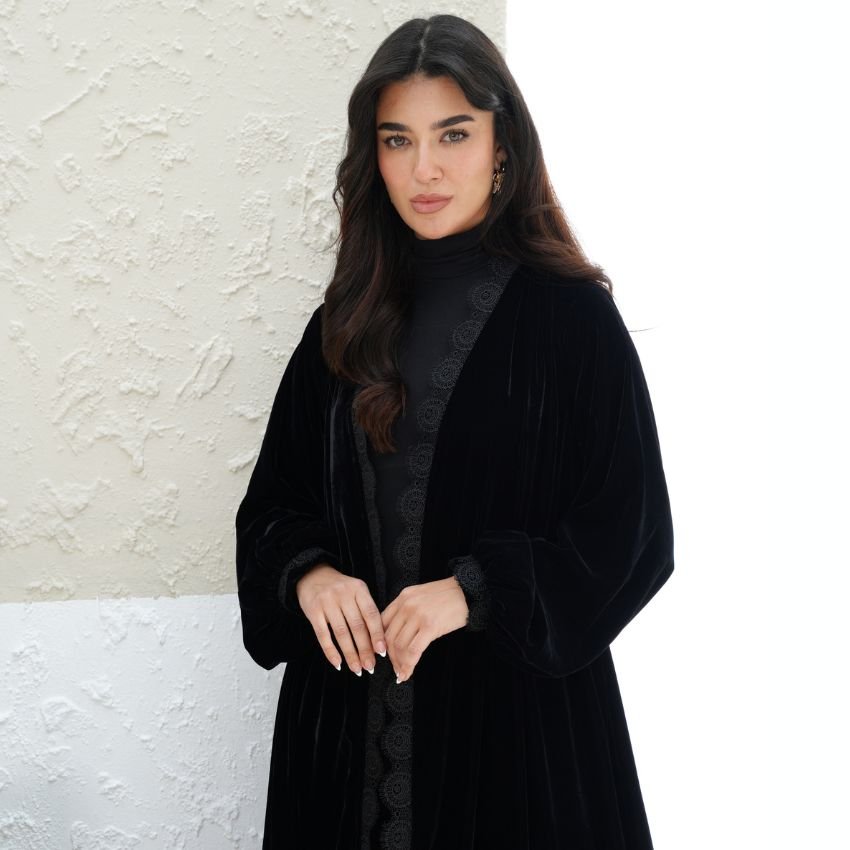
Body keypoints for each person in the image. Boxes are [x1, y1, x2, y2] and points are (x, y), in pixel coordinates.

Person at [235, 13, 674, 850]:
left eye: (454, 134)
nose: (424, 169)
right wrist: (309, 574)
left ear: (503, 144)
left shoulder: (573, 322)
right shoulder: (341, 327)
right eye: (397, 140)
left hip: (519, 746)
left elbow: (633, 536)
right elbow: (272, 507)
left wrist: (475, 591)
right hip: (345, 747)